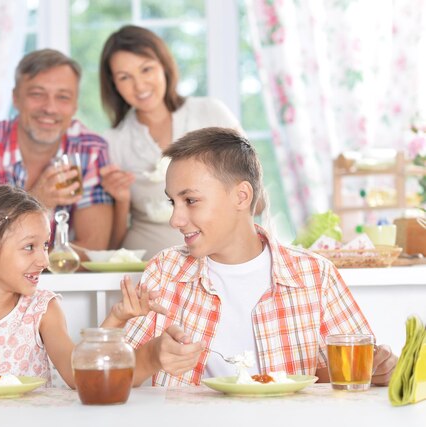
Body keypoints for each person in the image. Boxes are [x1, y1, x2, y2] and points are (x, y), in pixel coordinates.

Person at [125, 127, 398, 387]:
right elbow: (114, 373)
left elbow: (352, 370)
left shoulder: (315, 276)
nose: (176, 219)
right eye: (173, 202)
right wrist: (150, 357)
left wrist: (377, 370)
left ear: (242, 196)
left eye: (191, 201)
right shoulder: (165, 271)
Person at [0, 185, 161, 389]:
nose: (44, 261)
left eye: (45, 245)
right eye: (29, 247)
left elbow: (79, 376)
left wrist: (116, 318)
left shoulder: (41, 309)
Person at [0, 48, 113, 253]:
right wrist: (37, 201)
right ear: (16, 98)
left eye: (63, 97)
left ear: (75, 105)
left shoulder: (90, 151)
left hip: (67, 284)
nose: (50, 108)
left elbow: (92, 249)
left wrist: (9, 249)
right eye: (37, 94)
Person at [98, 25, 243, 258]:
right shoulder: (113, 142)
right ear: (114, 84)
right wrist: (122, 199)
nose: (139, 85)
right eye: (125, 77)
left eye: (146, 69)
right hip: (147, 265)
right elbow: (112, 246)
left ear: (164, 66)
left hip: (217, 259)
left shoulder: (210, 112)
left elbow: (254, 195)